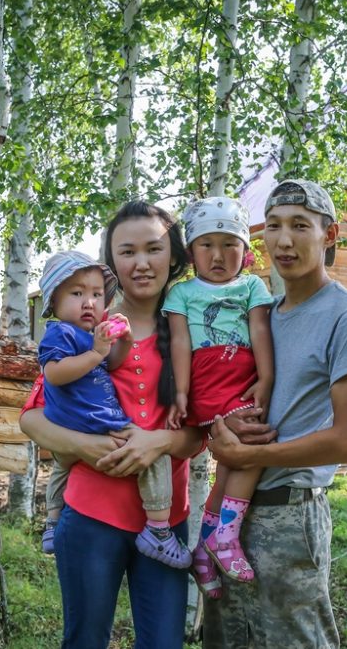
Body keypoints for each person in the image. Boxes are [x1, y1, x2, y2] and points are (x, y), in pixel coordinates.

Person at [20, 201, 274, 649]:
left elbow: (201, 431)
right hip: (91, 514)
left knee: (163, 643)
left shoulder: (192, 328)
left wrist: (159, 440)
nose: (142, 263)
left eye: (154, 249)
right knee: (85, 639)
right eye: (127, 251)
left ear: (174, 256)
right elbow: (32, 417)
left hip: (166, 523)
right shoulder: (89, 328)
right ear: (112, 262)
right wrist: (85, 446)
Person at [202, 179, 347, 649]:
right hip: (228, 516)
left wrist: (248, 455)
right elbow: (231, 396)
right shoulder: (258, 315)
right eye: (274, 227)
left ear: (330, 235)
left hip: (289, 515)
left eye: (300, 226)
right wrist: (227, 425)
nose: (283, 241)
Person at [35, 250, 191, 569]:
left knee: (61, 467)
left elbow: (113, 362)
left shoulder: (90, 335)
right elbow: (53, 373)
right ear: (53, 302)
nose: (89, 302)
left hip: (79, 425)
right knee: (154, 455)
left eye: (96, 294)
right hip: (96, 424)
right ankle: (159, 530)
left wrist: (124, 342)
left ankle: (52, 522)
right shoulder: (60, 332)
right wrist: (94, 354)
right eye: (77, 293)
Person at [163, 197, 274, 594]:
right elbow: (179, 342)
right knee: (249, 450)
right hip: (207, 383)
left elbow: (260, 331)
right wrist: (180, 392)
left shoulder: (251, 286)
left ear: (245, 250)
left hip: (243, 380)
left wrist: (266, 377)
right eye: (207, 244)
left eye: (230, 244)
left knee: (229, 464)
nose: (218, 254)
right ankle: (226, 536)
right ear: (191, 250)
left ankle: (206, 546)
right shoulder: (181, 293)